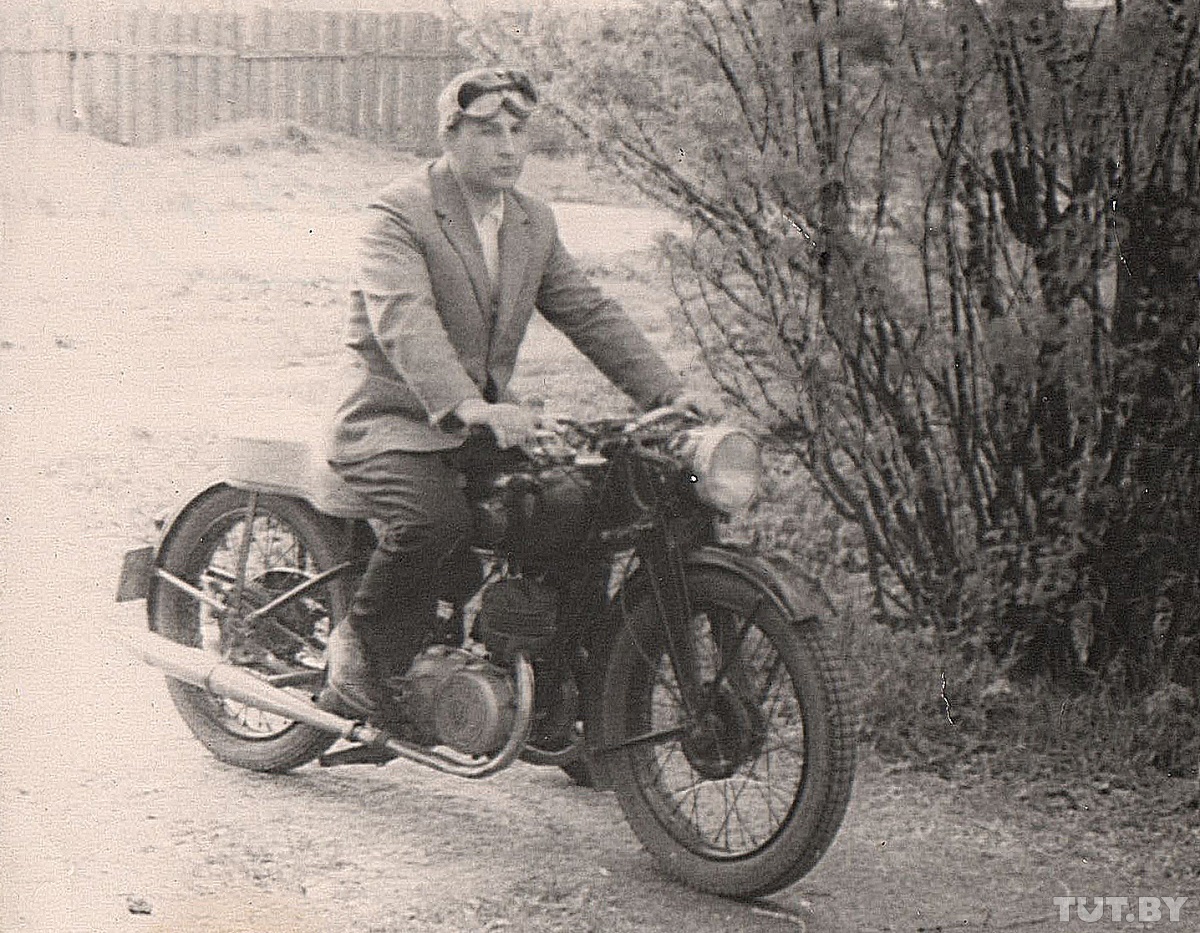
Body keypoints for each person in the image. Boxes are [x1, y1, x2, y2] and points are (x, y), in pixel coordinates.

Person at [322, 66, 713, 720]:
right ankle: (356, 648)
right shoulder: (399, 213)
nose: (508, 147)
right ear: (449, 134)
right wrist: (467, 404)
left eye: (518, 130)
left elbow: (587, 310)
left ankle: (550, 679)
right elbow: (404, 318)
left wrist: (666, 393)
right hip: (391, 423)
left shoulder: (531, 220)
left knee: (574, 506)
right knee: (435, 521)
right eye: (488, 131)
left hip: (478, 427)